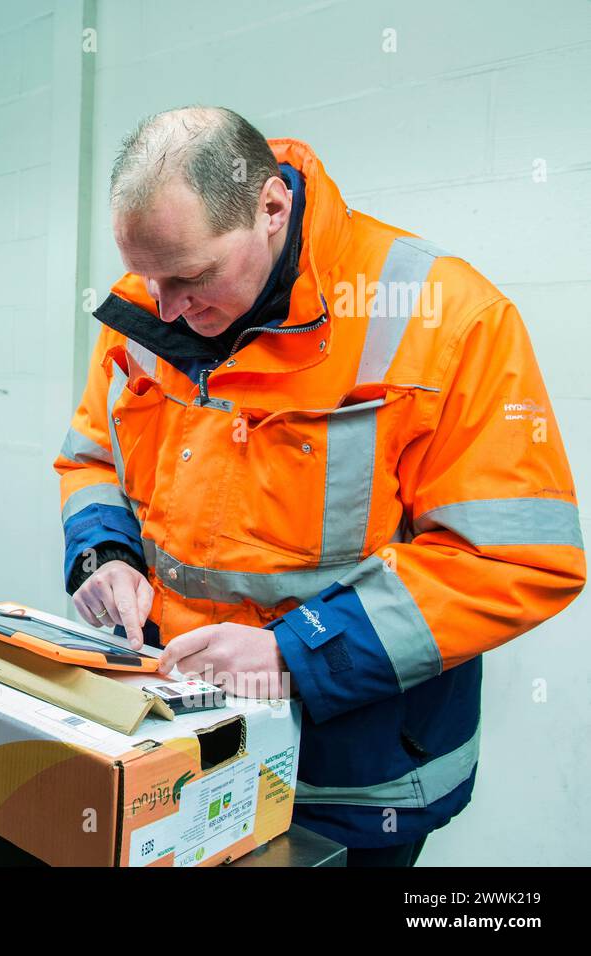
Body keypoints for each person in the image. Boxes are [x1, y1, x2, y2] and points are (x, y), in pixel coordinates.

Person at [55, 106, 585, 866]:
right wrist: (104, 556)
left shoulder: (448, 317)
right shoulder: (149, 306)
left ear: (271, 207)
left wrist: (295, 656)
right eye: (150, 277)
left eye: (193, 278)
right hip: (175, 742)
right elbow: (92, 459)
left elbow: (513, 559)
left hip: (351, 778)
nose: (165, 307)